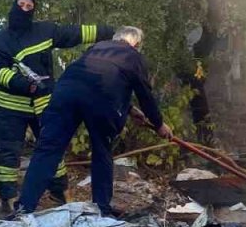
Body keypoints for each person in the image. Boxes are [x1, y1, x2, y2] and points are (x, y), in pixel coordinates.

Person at [16, 26, 173, 216]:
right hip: (101, 100)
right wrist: (159, 124)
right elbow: (144, 94)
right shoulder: (133, 56)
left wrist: (130, 110)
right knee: (102, 151)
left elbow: (93, 79)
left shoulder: (97, 48)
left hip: (64, 94)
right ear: (136, 43)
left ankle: (24, 208)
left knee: (47, 150)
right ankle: (102, 209)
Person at [0, 0, 115, 215]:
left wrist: (109, 32)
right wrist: (24, 84)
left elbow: (74, 33)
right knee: (9, 153)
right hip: (11, 106)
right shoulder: (0, 42)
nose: (24, 10)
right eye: (21, 4)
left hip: (43, 104)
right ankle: (9, 198)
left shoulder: (44, 31)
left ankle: (59, 191)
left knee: (52, 147)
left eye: (29, 7)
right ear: (14, 5)